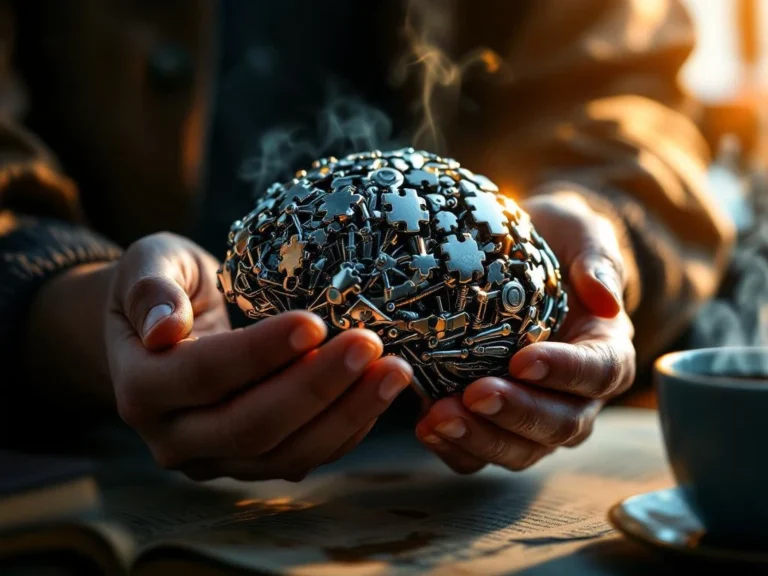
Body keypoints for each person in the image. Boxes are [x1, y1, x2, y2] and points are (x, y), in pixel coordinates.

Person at [0, 0, 734, 480]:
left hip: (480, 483)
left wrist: (600, 230)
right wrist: (58, 297)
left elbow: (627, 92)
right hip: (83, 458)